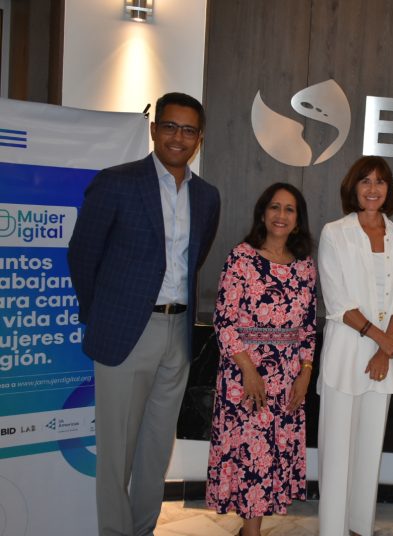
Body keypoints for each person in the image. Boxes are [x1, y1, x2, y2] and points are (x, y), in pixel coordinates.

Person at [67, 92, 221, 536]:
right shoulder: (116, 182)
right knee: (116, 453)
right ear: (154, 129)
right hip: (125, 333)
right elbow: (82, 255)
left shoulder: (206, 196)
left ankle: (143, 530)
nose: (178, 137)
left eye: (188, 130)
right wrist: (102, 316)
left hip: (178, 334)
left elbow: (194, 257)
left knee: (155, 450)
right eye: (170, 126)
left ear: (199, 139)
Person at [206, 182, 316, 536]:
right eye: (274, 207)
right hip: (245, 374)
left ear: (297, 220)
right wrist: (250, 372)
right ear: (263, 214)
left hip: (288, 377)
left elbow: (308, 327)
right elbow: (224, 321)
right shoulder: (242, 257)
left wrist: (305, 372)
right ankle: (250, 532)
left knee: (271, 458)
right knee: (251, 456)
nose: (281, 215)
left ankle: (249, 529)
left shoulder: (305, 266)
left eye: (289, 209)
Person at [316, 156, 393, 535]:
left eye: (380, 181)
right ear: (353, 187)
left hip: (383, 358)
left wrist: (384, 351)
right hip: (346, 352)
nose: (373, 189)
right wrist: (383, 341)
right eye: (365, 181)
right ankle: (332, 529)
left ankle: (360, 527)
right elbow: (338, 302)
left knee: (369, 449)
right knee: (336, 452)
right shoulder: (335, 233)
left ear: (389, 189)